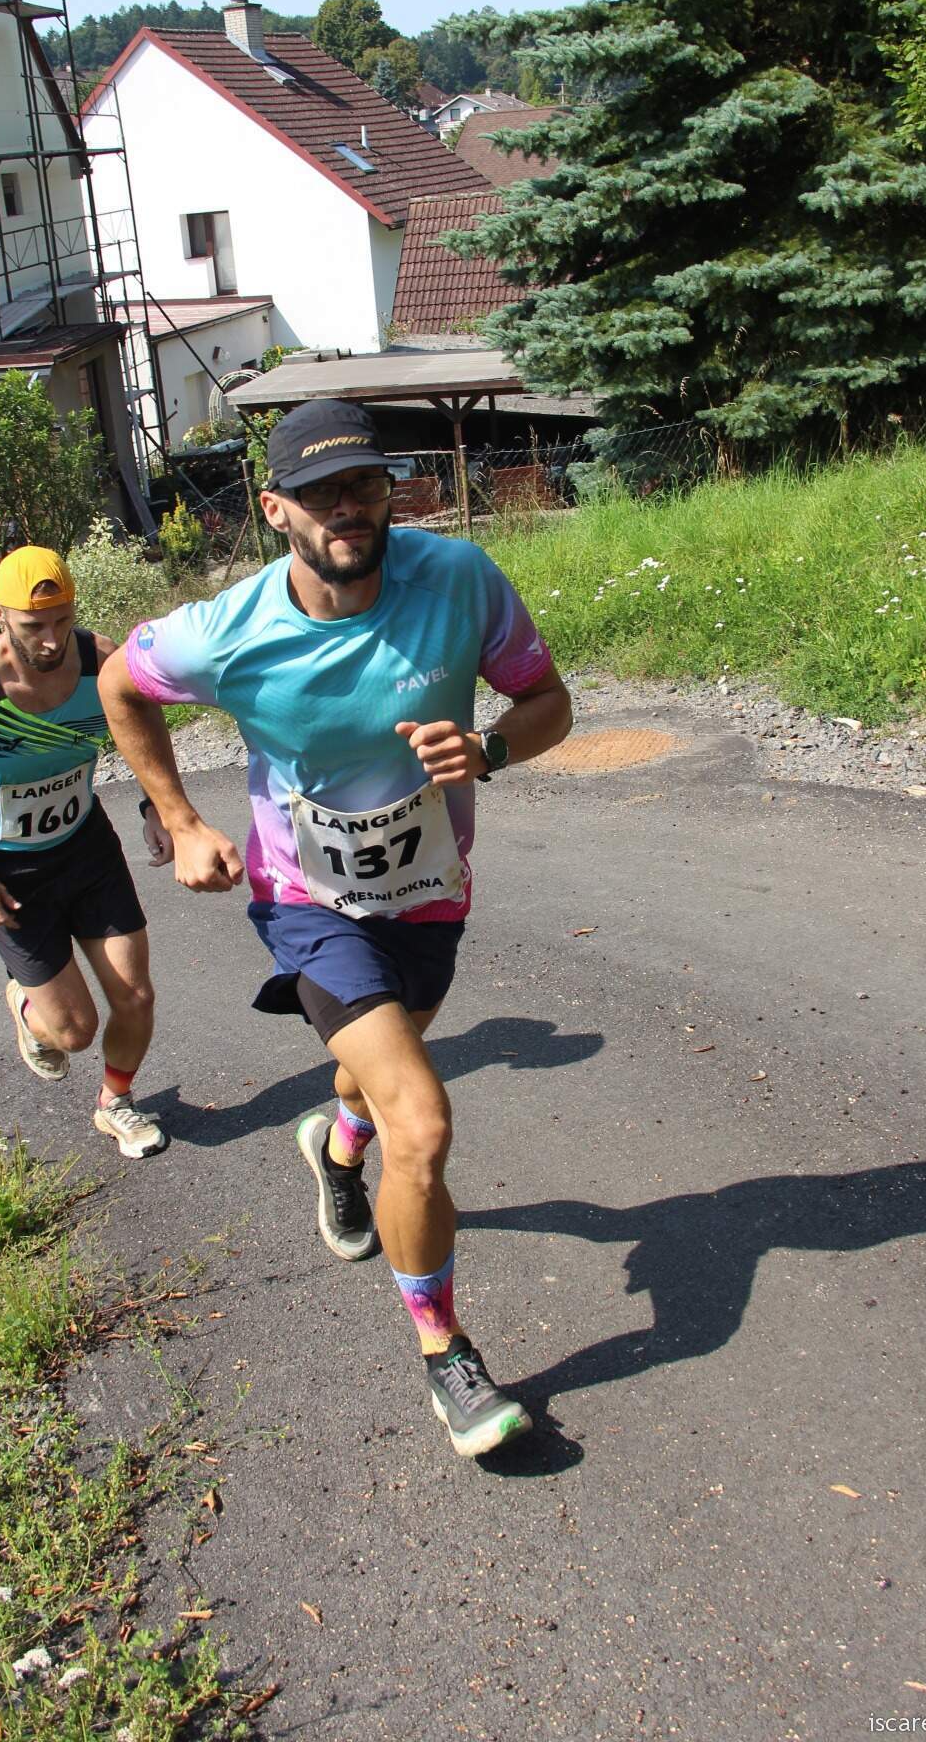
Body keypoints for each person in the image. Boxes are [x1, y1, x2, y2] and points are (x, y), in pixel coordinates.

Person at [99, 399, 573, 1456]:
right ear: (275, 510)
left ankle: (333, 1141)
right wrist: (179, 818)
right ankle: (445, 1354)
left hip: (431, 889)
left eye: (363, 483)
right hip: (308, 901)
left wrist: (489, 750)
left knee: (371, 1085)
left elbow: (549, 701)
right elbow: (119, 684)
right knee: (423, 1121)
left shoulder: (459, 579)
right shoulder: (228, 629)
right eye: (319, 494)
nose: (347, 508)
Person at [0, 545, 169, 1158]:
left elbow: (144, 718)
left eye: (62, 620)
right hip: (9, 871)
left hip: (87, 846)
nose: (51, 640)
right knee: (74, 1032)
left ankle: (116, 1103)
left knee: (136, 996)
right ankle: (27, 1004)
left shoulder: (100, 662)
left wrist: (159, 805)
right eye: (33, 626)